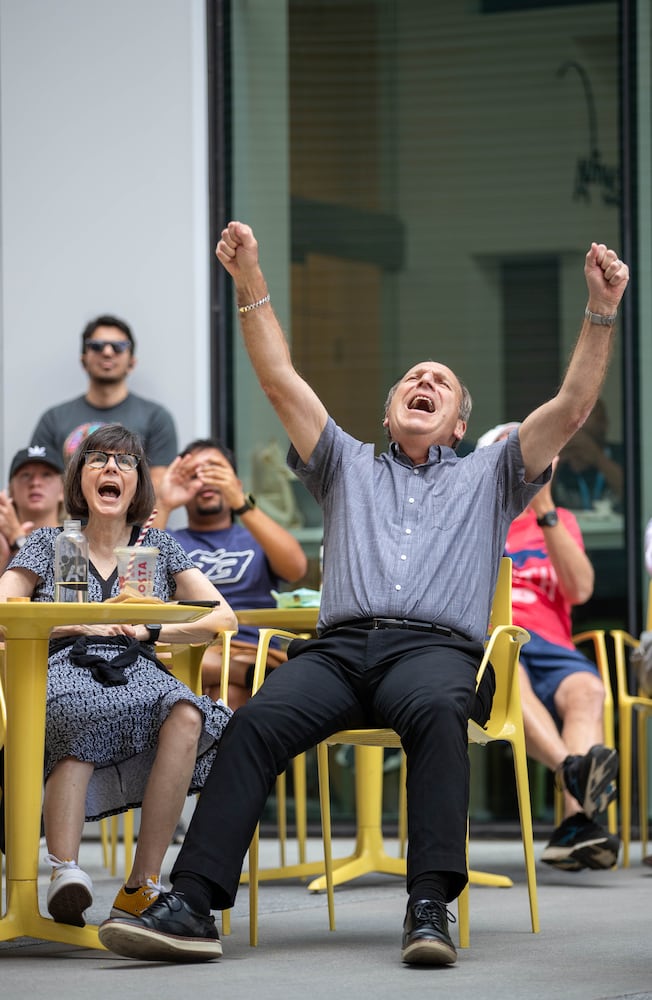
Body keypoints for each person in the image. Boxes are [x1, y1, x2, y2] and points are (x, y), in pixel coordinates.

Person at [98, 226, 629, 968]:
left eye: (442, 382)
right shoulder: (344, 462)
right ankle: (192, 904)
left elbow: (572, 407)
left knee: (443, 714)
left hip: (435, 652)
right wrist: (249, 279)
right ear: (388, 415)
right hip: (339, 652)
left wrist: (601, 309)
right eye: (414, 377)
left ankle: (428, 905)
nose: (427, 381)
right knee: (250, 727)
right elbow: (280, 377)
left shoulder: (494, 474)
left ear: (461, 423)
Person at [0, 423, 237, 927]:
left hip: (136, 666)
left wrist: (151, 630)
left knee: (189, 712)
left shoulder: (153, 548)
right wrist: (80, 619)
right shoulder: (53, 542)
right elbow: (2, 607)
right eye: (98, 460)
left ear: (136, 484)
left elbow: (223, 617)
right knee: (81, 704)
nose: (111, 468)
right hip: (64, 662)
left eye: (125, 462)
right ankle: (66, 869)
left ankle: (141, 884)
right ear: (80, 479)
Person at [477, 423, 620, 871]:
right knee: (509, 672)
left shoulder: (558, 521)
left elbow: (580, 590)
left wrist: (545, 509)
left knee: (588, 691)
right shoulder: (473, 516)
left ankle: (573, 824)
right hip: (496, 639)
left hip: (553, 643)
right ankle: (572, 777)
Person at [154, 438, 308, 708]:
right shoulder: (167, 540)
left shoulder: (256, 536)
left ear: (236, 482)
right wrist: (164, 503)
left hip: (251, 649)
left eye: (215, 470)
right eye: (193, 474)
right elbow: (137, 581)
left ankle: (232, 672)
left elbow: (296, 568)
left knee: (228, 695)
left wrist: (241, 503)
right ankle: (236, 674)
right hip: (187, 649)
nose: (205, 480)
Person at [29, 315, 178, 489]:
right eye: (96, 346)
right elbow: (37, 485)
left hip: (130, 517)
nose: (107, 352)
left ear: (132, 362)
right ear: (83, 360)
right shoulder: (53, 419)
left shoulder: (156, 418)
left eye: (119, 347)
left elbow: (157, 492)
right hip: (66, 517)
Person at [0, 445, 64, 574]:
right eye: (25, 475)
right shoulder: (3, 541)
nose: (35, 482)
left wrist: (17, 539)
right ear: (11, 490)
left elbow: (52, 585)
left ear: (63, 490)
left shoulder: (75, 539)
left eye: (46, 475)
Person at [552, 397, 623, 511]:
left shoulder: (623, 454)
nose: (579, 422)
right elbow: (538, 502)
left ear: (604, 424)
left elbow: (635, 493)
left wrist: (598, 458)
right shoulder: (558, 460)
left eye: (587, 415)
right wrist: (558, 462)